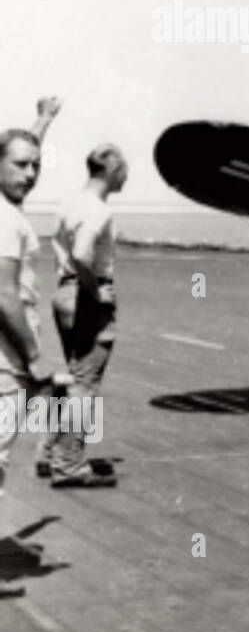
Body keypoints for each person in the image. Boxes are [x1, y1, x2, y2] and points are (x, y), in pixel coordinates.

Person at [37, 144, 126, 488]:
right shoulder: (99, 210)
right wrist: (94, 291)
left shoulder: (68, 203)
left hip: (63, 293)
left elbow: (62, 246)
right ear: (111, 168)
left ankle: (49, 454)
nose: (127, 176)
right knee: (86, 381)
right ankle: (69, 464)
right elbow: (81, 253)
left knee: (74, 375)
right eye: (125, 169)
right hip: (85, 295)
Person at [0, 130, 60, 521]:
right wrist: (35, 358)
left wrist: (41, 123)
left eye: (36, 164)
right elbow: (4, 294)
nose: (31, 173)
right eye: (21, 165)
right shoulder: (6, 220)